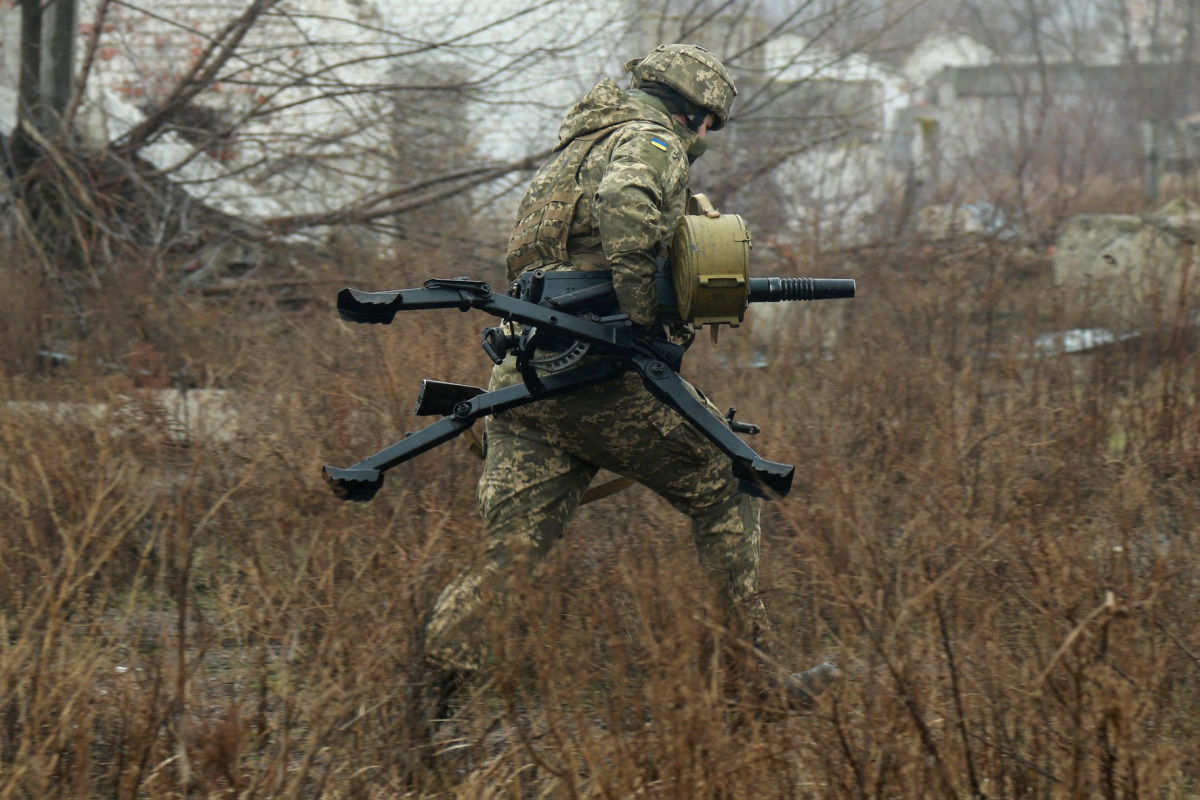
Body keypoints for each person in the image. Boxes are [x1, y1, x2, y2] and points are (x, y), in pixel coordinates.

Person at [422, 43, 837, 708]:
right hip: (601, 379)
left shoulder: (572, 154)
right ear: (698, 115)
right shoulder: (651, 142)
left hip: (524, 382)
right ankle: (752, 686)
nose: (702, 138)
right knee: (730, 487)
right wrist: (645, 312)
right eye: (708, 126)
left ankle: (429, 702)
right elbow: (629, 204)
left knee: (510, 559)